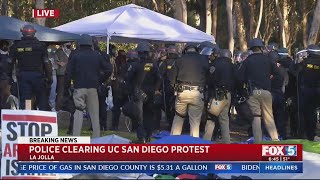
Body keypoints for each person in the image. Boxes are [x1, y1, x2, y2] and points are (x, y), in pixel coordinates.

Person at [64, 34, 112, 138]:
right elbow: (109, 69)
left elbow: (68, 72)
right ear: (91, 44)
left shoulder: (75, 55)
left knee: (78, 111)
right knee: (95, 114)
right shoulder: (97, 55)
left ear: (80, 43)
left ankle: (76, 136)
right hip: (93, 87)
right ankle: (96, 137)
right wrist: (100, 80)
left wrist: (66, 86)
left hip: (79, 87)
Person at [237, 38, 279, 143]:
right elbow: (278, 74)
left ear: (251, 48)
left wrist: (243, 91)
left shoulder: (247, 61)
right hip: (266, 92)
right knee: (269, 117)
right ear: (261, 47)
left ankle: (258, 143)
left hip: (253, 92)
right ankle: (275, 141)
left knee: (256, 117)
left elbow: (239, 78)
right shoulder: (268, 60)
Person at [170, 42, 209, 137]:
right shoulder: (204, 59)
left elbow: (171, 78)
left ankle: (173, 144)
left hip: (182, 92)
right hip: (198, 92)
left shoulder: (179, 59)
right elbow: (208, 76)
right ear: (196, 49)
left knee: (178, 117)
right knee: (195, 121)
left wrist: (174, 88)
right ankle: (194, 144)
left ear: (185, 50)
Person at [10, 24, 52, 110]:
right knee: (42, 99)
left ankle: (27, 118)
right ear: (34, 33)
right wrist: (49, 77)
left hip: (23, 77)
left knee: (26, 100)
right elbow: (46, 63)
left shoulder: (16, 46)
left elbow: (10, 63)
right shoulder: (41, 46)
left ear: (23, 33)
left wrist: (9, 78)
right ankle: (44, 119)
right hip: (38, 77)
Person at [203, 49, 235, 143]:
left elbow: (209, 79)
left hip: (216, 95)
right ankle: (227, 142)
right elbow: (237, 80)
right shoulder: (233, 66)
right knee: (224, 119)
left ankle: (206, 142)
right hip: (228, 95)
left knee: (211, 118)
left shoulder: (215, 64)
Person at [136, 41, 161, 142]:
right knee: (149, 115)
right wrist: (155, 90)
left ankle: (142, 136)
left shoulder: (136, 64)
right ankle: (148, 135)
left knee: (139, 116)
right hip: (150, 93)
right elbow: (159, 78)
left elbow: (130, 78)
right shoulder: (153, 64)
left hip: (139, 93)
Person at [295, 44, 320, 141]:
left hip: (306, 91)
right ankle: (312, 134)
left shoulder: (304, 62)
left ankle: (304, 134)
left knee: (305, 113)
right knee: (312, 113)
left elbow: (295, 72)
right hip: (317, 91)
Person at [154, 47, 168, 131]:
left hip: (163, 88)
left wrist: (157, 88)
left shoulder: (165, 63)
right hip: (159, 88)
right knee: (157, 108)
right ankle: (156, 126)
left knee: (160, 107)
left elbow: (161, 77)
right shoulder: (158, 63)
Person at [55, 43, 71, 111]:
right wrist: (60, 63)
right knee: (60, 91)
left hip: (67, 73)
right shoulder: (58, 52)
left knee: (67, 90)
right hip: (61, 74)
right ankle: (58, 107)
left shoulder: (70, 51)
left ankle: (65, 106)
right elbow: (55, 61)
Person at [47, 44, 58, 112]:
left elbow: (56, 65)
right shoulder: (42, 53)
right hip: (44, 75)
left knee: (52, 91)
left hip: (53, 74)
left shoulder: (54, 54)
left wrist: (53, 67)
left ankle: (52, 106)